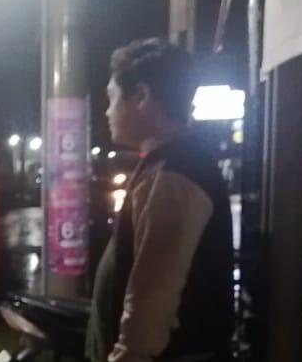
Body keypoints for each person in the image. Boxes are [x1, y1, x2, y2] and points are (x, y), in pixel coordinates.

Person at [86, 38, 235, 362]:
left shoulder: (176, 175)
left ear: (142, 96)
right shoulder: (171, 163)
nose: (107, 112)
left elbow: (151, 299)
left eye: (112, 98)